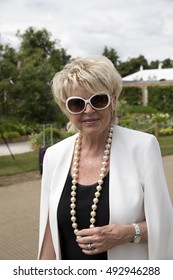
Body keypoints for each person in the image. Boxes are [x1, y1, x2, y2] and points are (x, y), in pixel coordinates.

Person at [38, 55, 173, 260]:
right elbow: (50, 236)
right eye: (77, 104)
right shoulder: (54, 156)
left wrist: (128, 233)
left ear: (113, 100)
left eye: (98, 99)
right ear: (65, 109)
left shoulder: (143, 147)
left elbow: (165, 224)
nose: (89, 110)